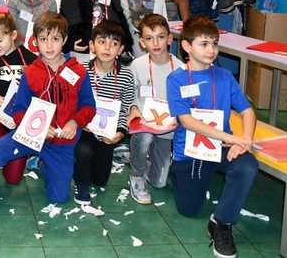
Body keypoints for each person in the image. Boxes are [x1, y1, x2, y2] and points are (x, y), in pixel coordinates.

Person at [0, 12, 96, 240]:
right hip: (29, 135)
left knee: (58, 197)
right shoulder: (31, 72)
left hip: (61, 143)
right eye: (43, 39)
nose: (49, 45)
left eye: (55, 39)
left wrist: (75, 121)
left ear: (64, 40)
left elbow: (88, 106)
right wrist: (38, 128)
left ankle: (41, 164)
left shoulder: (78, 71)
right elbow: (19, 111)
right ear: (36, 41)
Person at [167, 16, 257, 258]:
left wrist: (245, 139)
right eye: (204, 44)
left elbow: (247, 111)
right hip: (191, 150)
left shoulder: (225, 76)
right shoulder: (175, 79)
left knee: (247, 166)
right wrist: (229, 137)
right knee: (189, 209)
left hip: (224, 146)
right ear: (186, 46)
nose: (211, 50)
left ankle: (222, 222)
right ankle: (176, 171)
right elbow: (186, 121)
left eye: (214, 44)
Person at [73, 21, 135, 205]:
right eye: (101, 42)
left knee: (100, 180)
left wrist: (120, 133)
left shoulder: (126, 75)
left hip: (108, 134)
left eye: (114, 44)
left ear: (121, 49)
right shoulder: (80, 70)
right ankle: (80, 183)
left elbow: (126, 107)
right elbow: (71, 102)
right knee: (83, 152)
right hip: (83, 130)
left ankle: (84, 171)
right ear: (92, 46)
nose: (107, 48)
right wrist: (79, 122)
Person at [127, 14, 183, 204]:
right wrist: (134, 107)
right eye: (149, 38)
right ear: (142, 43)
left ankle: (142, 159)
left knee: (160, 182)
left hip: (169, 127)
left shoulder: (181, 68)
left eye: (160, 37)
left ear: (169, 38)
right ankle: (137, 175)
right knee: (144, 138)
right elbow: (130, 93)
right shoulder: (137, 65)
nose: (156, 43)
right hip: (144, 123)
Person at [0, 12, 37, 185]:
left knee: (13, 179)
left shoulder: (31, 60)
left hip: (20, 123)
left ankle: (34, 160)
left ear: (13, 35)